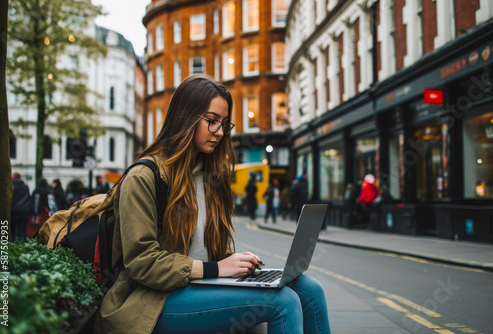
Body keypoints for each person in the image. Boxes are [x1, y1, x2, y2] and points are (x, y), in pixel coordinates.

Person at [94, 75, 332, 334]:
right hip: (153, 299)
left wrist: (238, 264)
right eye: (212, 121)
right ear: (185, 118)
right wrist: (217, 268)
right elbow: (141, 263)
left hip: (202, 287)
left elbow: (208, 252)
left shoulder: (212, 177)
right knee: (282, 302)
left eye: (224, 124)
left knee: (310, 290)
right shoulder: (144, 177)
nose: (219, 132)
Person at [11, 172, 32, 241]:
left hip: (13, 211)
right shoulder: (26, 187)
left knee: (12, 231)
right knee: (22, 231)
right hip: (24, 212)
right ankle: (22, 248)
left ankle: (12, 247)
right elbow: (28, 198)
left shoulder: (11, 186)